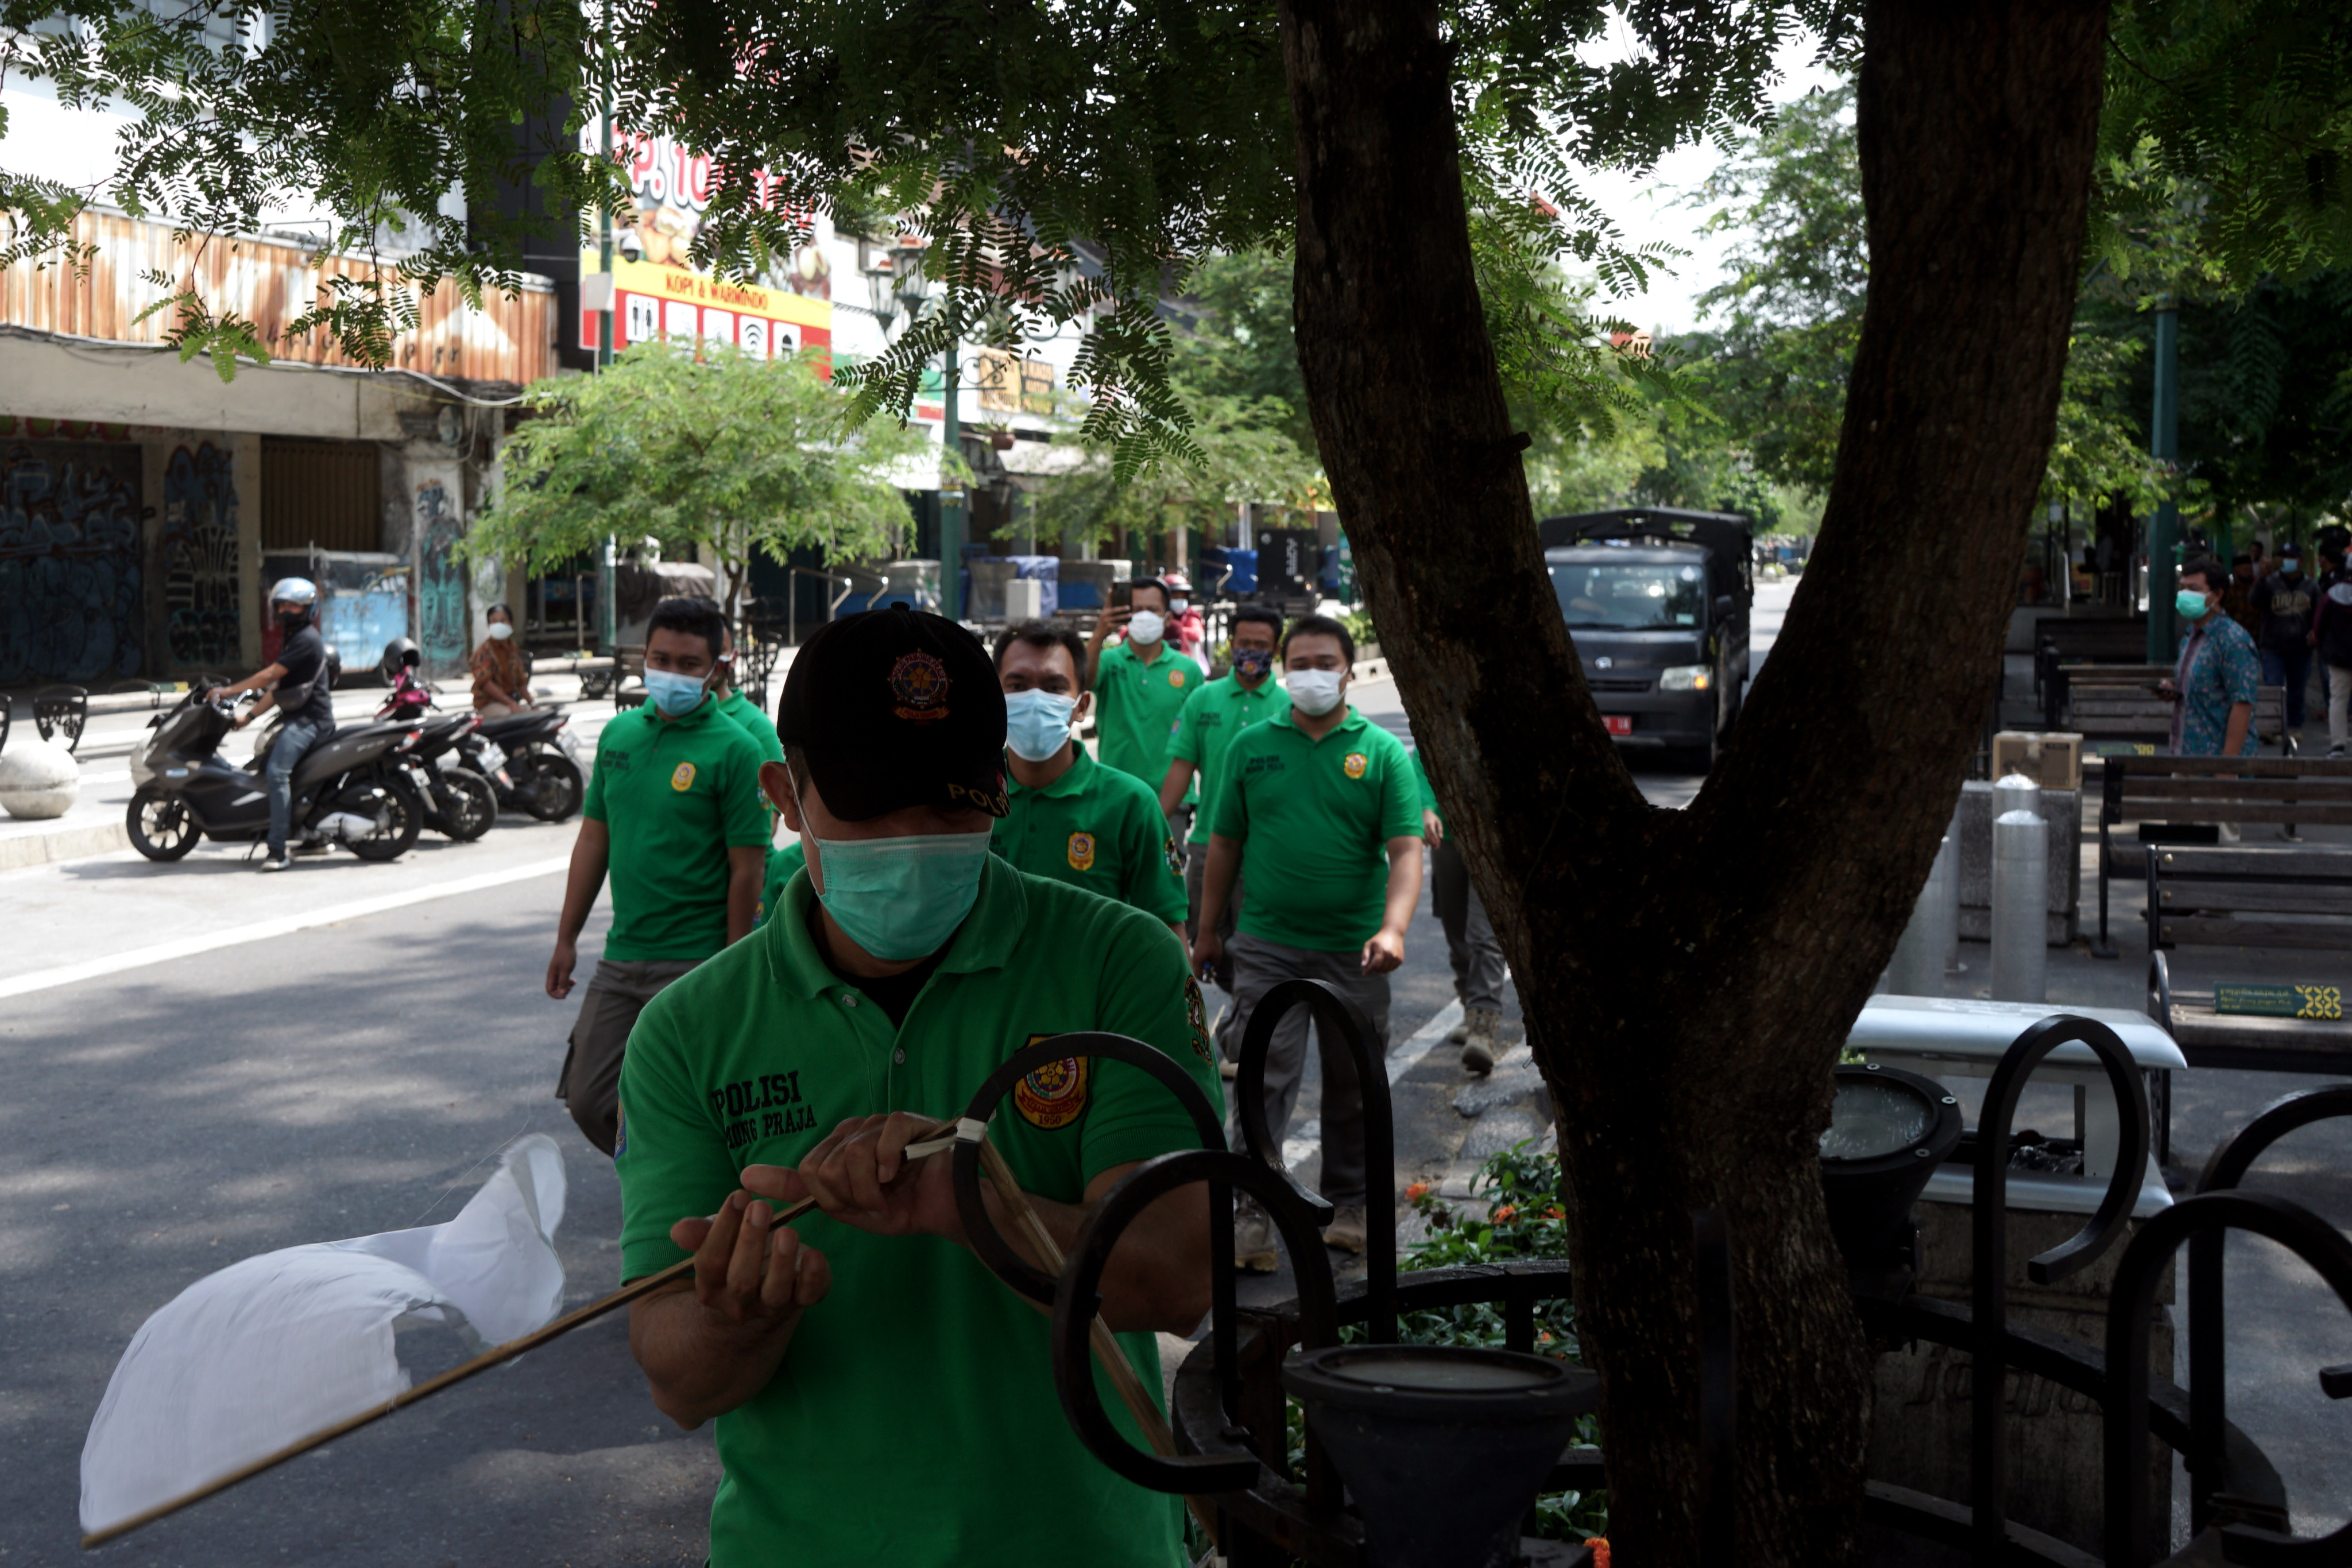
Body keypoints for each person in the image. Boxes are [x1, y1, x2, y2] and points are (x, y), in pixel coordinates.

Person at [614, 606, 1223, 1568]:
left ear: (997, 793)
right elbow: (680, 1381)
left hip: (1082, 1544)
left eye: (947, 808)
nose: (910, 839)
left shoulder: (1117, 963)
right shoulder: (690, 1031)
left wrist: (976, 1206)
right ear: (785, 793)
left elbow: (1179, 1274)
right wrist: (740, 1319)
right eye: (869, 804)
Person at [1195, 613, 1422, 1264]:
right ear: (1282, 669)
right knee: (1262, 1079)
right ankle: (1252, 1214)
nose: (1312, 674)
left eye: (1326, 663)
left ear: (1350, 670)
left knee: (1354, 1080)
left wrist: (1394, 928)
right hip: (1266, 942)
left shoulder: (1380, 752)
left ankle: (1349, 1207)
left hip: (1357, 950)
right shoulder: (1249, 747)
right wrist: (1208, 931)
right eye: (1300, 663)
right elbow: (1224, 844)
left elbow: (1405, 849)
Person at [547, 596, 772, 1156]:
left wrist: (733, 968)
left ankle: (681, 1198)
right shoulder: (619, 737)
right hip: (623, 957)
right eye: (660, 659)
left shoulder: (739, 749)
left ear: (716, 668)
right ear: (643, 657)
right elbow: (594, 838)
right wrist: (566, 938)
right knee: (588, 1097)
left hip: (696, 962)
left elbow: (749, 870)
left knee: (690, 1096)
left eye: (688, 664)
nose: (670, 673)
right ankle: (665, 1178)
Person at [992, 620, 1188, 945]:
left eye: (1054, 687)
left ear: (1081, 706)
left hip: (1095, 996)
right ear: (993, 697)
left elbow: (1168, 928)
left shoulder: (1130, 804)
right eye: (1018, 685)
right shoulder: (964, 798)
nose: (1035, 700)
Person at [1158, 605, 1285, 1065]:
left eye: (1262, 646)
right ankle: (1241, 1010)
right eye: (1244, 644)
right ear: (1231, 644)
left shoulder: (1288, 707)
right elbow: (1179, 770)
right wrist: (1151, 824)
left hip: (1264, 850)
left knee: (1252, 944)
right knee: (1206, 942)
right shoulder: (1203, 700)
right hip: (1208, 842)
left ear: (1276, 650)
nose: (1251, 653)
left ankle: (1243, 1030)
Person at [210, 577, 338, 873]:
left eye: (294, 605)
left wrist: (227, 692)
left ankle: (278, 850)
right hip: (300, 718)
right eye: (282, 605)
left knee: (277, 773)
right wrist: (249, 717)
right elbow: (279, 688)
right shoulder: (294, 639)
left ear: (308, 609)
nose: (286, 610)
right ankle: (311, 834)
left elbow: (269, 676)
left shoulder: (305, 638)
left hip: (311, 722)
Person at [1417, 750, 1507, 1073]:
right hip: (1448, 837)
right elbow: (1421, 760)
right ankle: (1471, 1010)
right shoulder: (1436, 707)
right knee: (1456, 931)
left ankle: (1484, 1029)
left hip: (1494, 837)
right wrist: (1426, 808)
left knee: (1485, 936)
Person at [1085, 576, 1206, 791]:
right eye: (1137, 609)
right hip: (1115, 794)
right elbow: (1082, 682)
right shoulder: (1107, 662)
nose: (1144, 616)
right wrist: (1099, 634)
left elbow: (1200, 738)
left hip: (1174, 797)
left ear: (1168, 619)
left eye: (1152, 609)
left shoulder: (1189, 671)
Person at [2163, 557, 2260, 762]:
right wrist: (2172, 689)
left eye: (2194, 589)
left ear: (2217, 595)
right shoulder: (2191, 636)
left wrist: (2227, 767)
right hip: (2184, 753)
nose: (2184, 594)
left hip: (2216, 759)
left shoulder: (2233, 640)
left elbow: (2242, 705)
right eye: (2182, 588)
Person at [2251, 542, 2319, 737]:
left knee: (2297, 689)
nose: (2287, 561)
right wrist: (2262, 580)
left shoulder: (2310, 586)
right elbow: (2254, 601)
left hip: (2301, 647)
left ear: (2300, 560)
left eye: (2291, 557)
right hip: (2273, 646)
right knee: (2273, 686)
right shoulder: (2270, 582)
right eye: (2284, 557)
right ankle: (2272, 726)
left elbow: (2319, 614)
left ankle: (2294, 726)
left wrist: (2316, 632)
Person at [2311, 539, 2352, 758]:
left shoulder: (2333, 595)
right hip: (2338, 655)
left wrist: (2323, 646)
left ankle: (2338, 745)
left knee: (2338, 699)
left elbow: (2319, 625)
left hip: (2338, 657)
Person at [470, 603, 534, 717]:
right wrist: (510, 704)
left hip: (511, 701)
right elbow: (486, 683)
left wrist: (533, 703)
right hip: (489, 703)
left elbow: (520, 681)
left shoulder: (512, 649)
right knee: (510, 715)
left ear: (511, 625)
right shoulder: (483, 651)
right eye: (494, 622)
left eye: (503, 620)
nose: (498, 625)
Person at [2221, 556, 2260, 636]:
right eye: (2245, 570)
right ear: (2236, 572)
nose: (2249, 573)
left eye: (2251, 570)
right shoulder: (2229, 591)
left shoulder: (2257, 589)